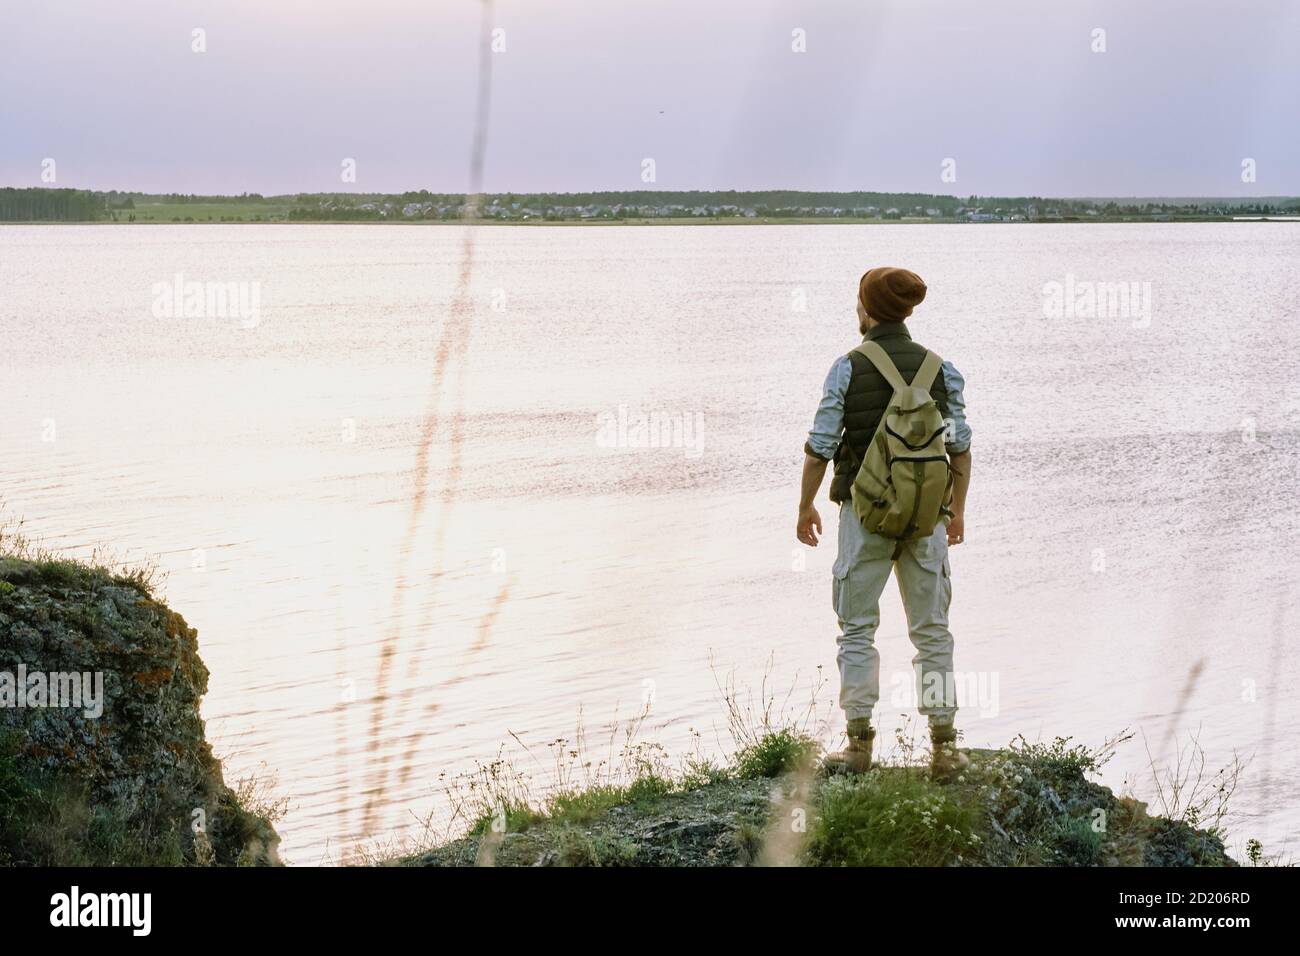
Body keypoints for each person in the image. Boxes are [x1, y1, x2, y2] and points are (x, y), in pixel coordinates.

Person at [796, 267, 972, 780]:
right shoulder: (943, 369)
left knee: (856, 629)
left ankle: (858, 746)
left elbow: (821, 445)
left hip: (864, 516)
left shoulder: (847, 368)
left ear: (867, 309)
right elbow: (959, 448)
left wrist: (806, 504)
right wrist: (956, 510)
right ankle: (944, 749)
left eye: (858, 301)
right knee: (933, 631)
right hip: (926, 521)